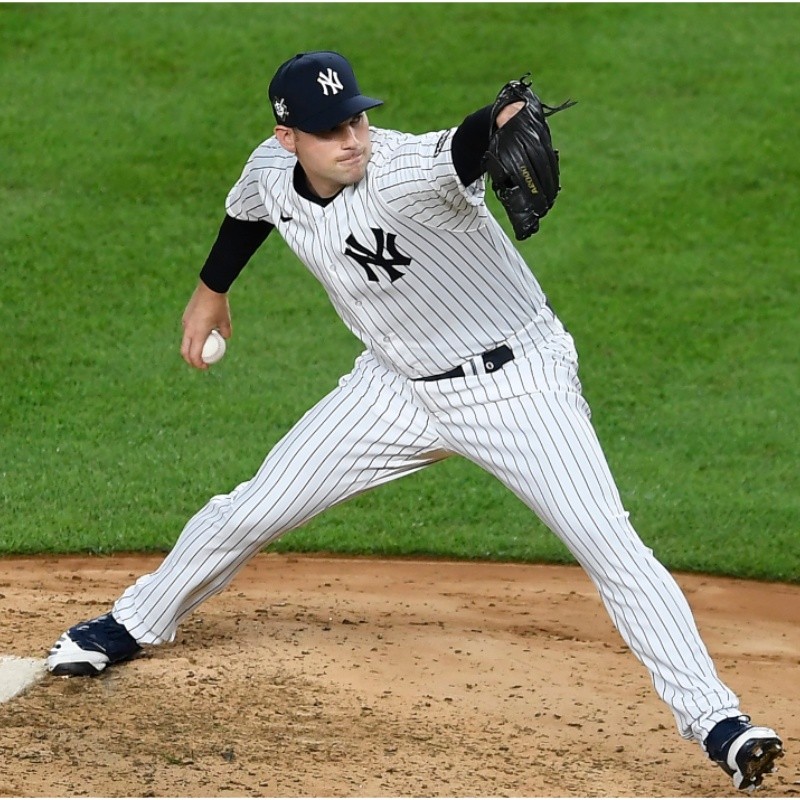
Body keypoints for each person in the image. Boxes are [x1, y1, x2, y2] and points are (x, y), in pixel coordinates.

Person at [47, 51, 783, 791]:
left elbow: (463, 144)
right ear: (287, 138)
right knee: (253, 507)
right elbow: (247, 212)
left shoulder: (401, 169)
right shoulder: (270, 172)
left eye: (358, 118)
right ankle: (136, 621)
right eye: (330, 128)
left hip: (517, 385)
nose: (353, 138)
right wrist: (211, 292)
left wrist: (498, 121)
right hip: (393, 388)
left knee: (609, 544)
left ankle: (718, 721)